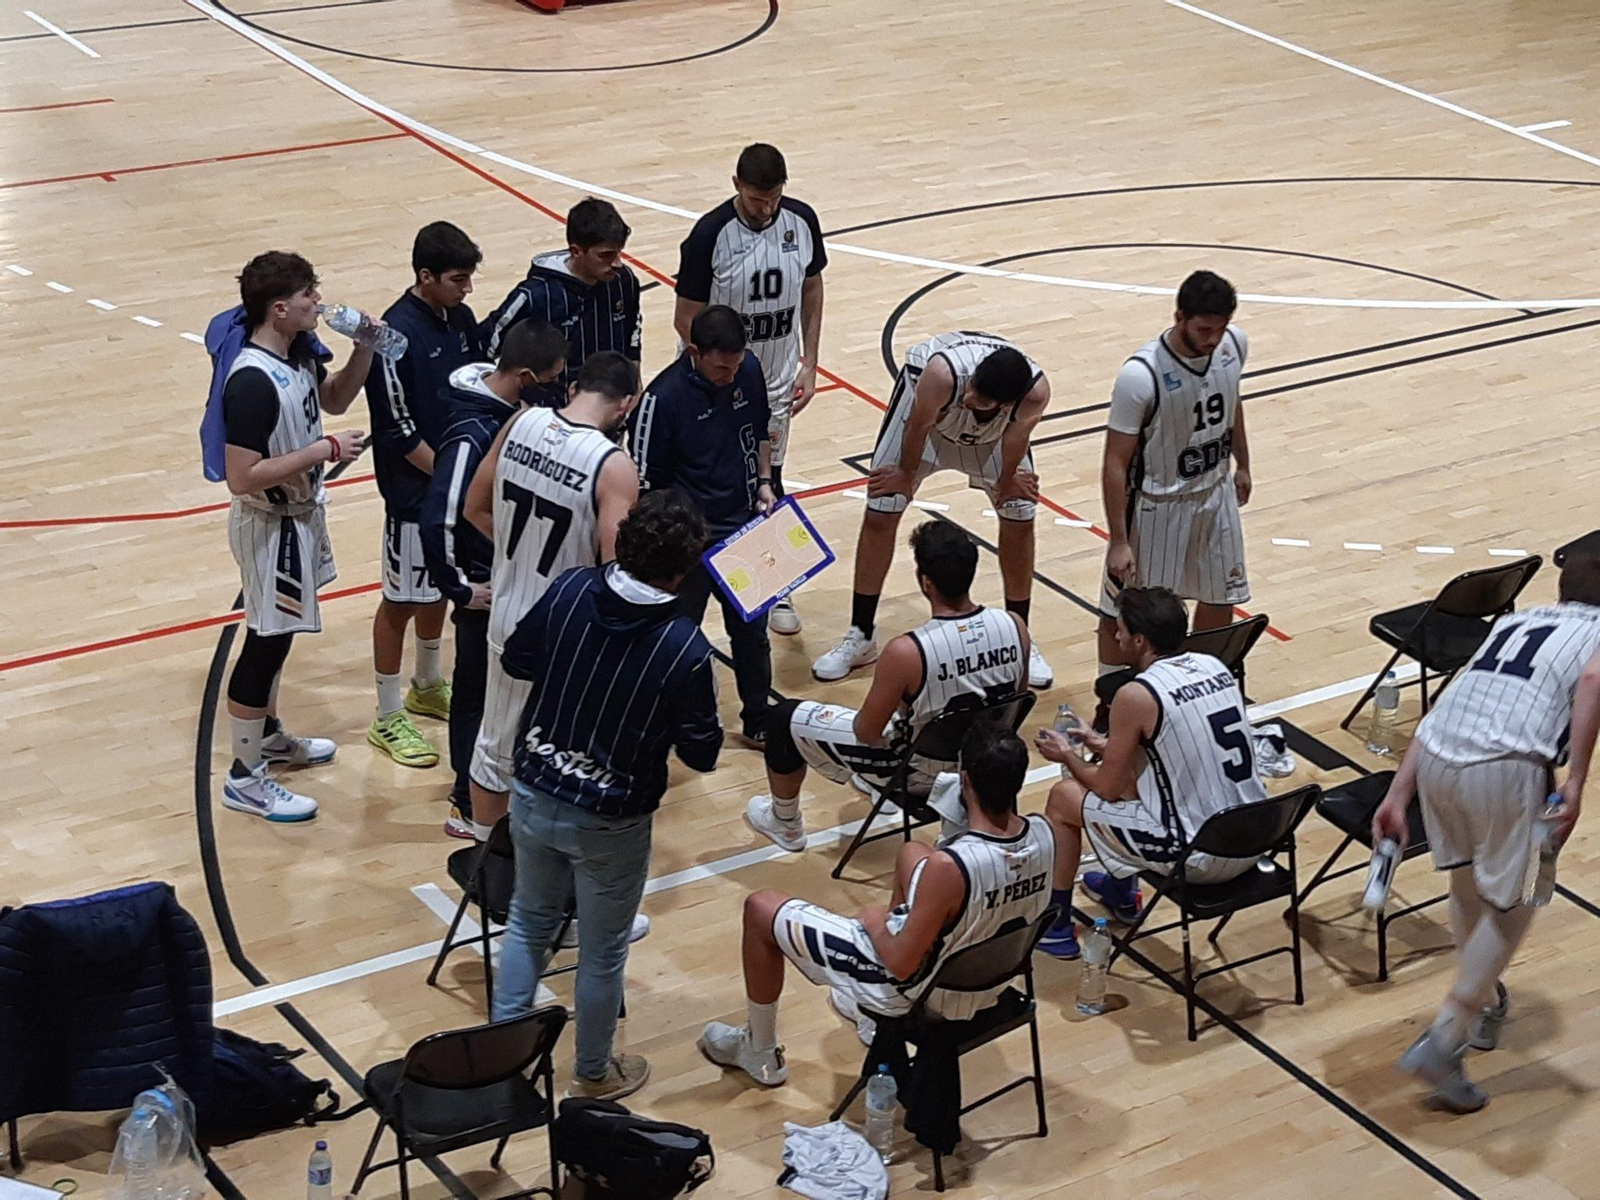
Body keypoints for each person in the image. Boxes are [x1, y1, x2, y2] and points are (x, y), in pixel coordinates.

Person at [492, 491, 723, 1101]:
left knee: (527, 921)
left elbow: (517, 659)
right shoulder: (685, 650)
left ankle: (504, 1055)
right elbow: (702, 753)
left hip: (534, 787)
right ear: (682, 569)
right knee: (601, 953)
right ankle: (592, 1072)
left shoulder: (569, 590)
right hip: (611, 819)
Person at [700, 722, 1053, 1086]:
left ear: (964, 781)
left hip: (923, 994)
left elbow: (901, 964)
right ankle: (866, 1010)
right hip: (994, 980)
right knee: (911, 852)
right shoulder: (1045, 832)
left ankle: (760, 1050)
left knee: (760, 908)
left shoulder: (949, 868)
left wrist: (874, 922)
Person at [1372, 555, 1600, 1113]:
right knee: (1525, 892)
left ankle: (1485, 999)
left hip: (1438, 755)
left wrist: (1397, 793)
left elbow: (1449, 702)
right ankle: (1447, 1036)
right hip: (1509, 766)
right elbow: (1594, 676)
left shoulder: (1515, 622)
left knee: (1470, 883)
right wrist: (1575, 780)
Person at [746, 520, 1029, 852]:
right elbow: (1016, 703)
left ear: (926, 582)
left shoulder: (907, 651)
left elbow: (866, 732)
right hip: (985, 764)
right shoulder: (1015, 626)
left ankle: (785, 823)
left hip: (917, 774)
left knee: (783, 718)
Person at [218, 251, 373, 821]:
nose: (319, 301)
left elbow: (332, 399)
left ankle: (268, 737)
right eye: (309, 293)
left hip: (300, 518)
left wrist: (364, 350)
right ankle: (245, 777)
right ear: (279, 309)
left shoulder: (297, 354)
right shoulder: (252, 382)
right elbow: (241, 477)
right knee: (265, 644)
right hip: (270, 526)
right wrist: (322, 450)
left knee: (279, 639)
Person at [461, 351, 641, 842]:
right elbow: (616, 571)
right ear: (625, 406)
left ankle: (489, 871)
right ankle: (557, 896)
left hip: (507, 615)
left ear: (573, 388)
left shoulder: (520, 421)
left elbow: (474, 508)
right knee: (570, 763)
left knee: (494, 752)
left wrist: (522, 559)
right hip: (568, 634)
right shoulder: (613, 466)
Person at [811, 331, 1055, 690]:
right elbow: (918, 423)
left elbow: (1015, 438)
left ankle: (1021, 638)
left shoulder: (1034, 394)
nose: (970, 397)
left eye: (981, 398)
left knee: (1019, 512)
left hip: (993, 441)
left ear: (1005, 404)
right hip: (925, 423)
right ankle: (861, 634)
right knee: (882, 508)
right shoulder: (942, 374)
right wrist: (906, 476)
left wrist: (1005, 482)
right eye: (973, 387)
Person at [1035, 586, 1266, 959]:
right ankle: (1120, 892)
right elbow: (1169, 751)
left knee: (1064, 799)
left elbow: (1106, 789)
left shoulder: (1136, 694)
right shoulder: (1214, 665)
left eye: (1122, 630)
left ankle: (1056, 926)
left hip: (1201, 855)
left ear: (1140, 640)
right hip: (1256, 835)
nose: (1116, 635)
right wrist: (1098, 743)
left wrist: (1067, 757)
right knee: (1137, 779)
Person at [419, 318, 570, 838]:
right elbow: (438, 516)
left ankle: (494, 789)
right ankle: (466, 798)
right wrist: (460, 588)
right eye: (552, 378)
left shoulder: (507, 411)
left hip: (507, 574)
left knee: (500, 692)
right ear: (526, 376)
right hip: (482, 581)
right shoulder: (472, 434)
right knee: (477, 694)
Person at [674, 143, 827, 636]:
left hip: (776, 383)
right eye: (757, 199)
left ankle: (773, 588)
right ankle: (683, 596)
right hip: (715, 385)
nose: (766, 209)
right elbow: (684, 318)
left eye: (774, 198)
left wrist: (811, 362)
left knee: (769, 481)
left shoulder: (801, 221)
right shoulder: (708, 235)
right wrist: (721, 371)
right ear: (736, 185)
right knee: (704, 487)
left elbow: (812, 288)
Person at [1097, 270, 1252, 700]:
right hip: (1158, 506)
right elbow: (1114, 463)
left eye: (1220, 329)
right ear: (1179, 316)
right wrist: (1118, 540)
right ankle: (1111, 699)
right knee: (1129, 613)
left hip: (1214, 492)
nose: (1213, 339)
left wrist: (1243, 463)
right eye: (1204, 329)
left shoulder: (1234, 345)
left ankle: (1203, 684)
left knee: (1222, 598)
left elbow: (1232, 403)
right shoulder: (1140, 375)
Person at [363, 221, 485, 770]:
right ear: (425, 276)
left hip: (453, 488)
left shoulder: (460, 319)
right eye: (459, 279)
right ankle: (388, 715)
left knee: (441, 588)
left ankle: (427, 683)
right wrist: (449, 476)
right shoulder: (393, 336)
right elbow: (397, 428)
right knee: (402, 600)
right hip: (415, 495)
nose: (467, 290)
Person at [629, 305, 775, 747]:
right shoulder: (661, 399)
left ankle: (757, 717)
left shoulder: (746, 369)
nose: (731, 375)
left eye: (736, 365)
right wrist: (675, 543)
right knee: (677, 637)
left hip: (743, 531)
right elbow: (644, 486)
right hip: (688, 545)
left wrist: (765, 483)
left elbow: (762, 430)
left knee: (753, 635)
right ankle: (667, 723)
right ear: (694, 351)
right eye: (721, 367)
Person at [479, 198, 642, 406]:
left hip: (611, 408)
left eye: (619, 253)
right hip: (553, 416)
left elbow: (632, 334)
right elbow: (486, 344)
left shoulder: (623, 281)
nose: (617, 263)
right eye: (606, 255)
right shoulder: (535, 295)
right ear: (576, 251)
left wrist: (634, 382)